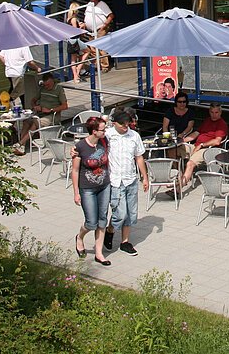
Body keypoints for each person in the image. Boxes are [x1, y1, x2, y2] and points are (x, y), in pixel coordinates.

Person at [104, 108, 149, 256]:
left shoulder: (134, 136)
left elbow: (139, 157)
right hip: (115, 179)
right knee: (120, 213)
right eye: (122, 124)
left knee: (131, 213)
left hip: (131, 179)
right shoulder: (108, 135)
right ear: (114, 123)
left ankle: (125, 241)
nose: (125, 126)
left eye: (127, 124)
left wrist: (145, 177)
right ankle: (110, 230)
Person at [71, 116, 112, 266]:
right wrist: (76, 192)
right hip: (87, 188)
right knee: (91, 222)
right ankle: (80, 237)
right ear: (94, 131)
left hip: (104, 185)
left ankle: (99, 253)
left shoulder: (104, 141)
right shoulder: (80, 147)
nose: (105, 131)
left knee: (102, 220)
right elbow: (75, 171)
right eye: (102, 129)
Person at [15, 74, 69, 155]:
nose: (46, 87)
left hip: (52, 115)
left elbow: (65, 106)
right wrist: (35, 106)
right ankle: (22, 146)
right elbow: (33, 100)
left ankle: (20, 143)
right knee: (26, 121)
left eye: (48, 85)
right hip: (40, 113)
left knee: (35, 122)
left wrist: (50, 110)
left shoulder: (59, 89)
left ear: (53, 82)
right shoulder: (42, 89)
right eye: (45, 85)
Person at [179, 102, 229, 187]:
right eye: (212, 112)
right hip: (195, 146)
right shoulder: (207, 120)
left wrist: (202, 145)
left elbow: (217, 141)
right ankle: (179, 177)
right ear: (209, 112)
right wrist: (182, 140)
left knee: (190, 163)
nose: (214, 115)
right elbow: (196, 133)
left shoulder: (222, 124)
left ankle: (178, 188)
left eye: (216, 112)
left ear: (220, 113)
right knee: (174, 149)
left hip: (208, 149)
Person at [162, 90, 196, 158]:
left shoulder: (190, 112)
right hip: (170, 136)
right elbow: (165, 126)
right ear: (176, 102)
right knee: (170, 147)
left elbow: (189, 127)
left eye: (184, 102)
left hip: (184, 137)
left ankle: (175, 166)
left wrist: (182, 134)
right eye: (180, 102)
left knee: (173, 150)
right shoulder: (170, 111)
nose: (182, 104)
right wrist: (167, 135)